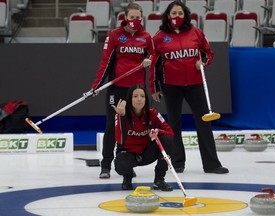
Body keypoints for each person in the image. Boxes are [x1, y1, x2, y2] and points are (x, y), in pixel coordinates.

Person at [149, 1, 229, 174]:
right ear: (167, 16)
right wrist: (154, 87)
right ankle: (178, 163)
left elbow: (208, 53)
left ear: (185, 15)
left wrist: (203, 62)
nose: (176, 16)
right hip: (170, 86)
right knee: (174, 124)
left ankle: (212, 164)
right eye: (173, 13)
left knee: (204, 123)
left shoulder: (196, 32)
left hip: (195, 84)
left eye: (180, 13)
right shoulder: (159, 37)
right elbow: (154, 64)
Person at [90, 3, 155, 179]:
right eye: (132, 17)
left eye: (138, 17)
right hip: (117, 88)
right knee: (112, 127)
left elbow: (154, 56)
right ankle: (105, 165)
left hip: (136, 91)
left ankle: (125, 163)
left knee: (130, 128)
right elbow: (105, 62)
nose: (135, 20)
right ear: (125, 18)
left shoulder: (146, 37)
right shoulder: (114, 36)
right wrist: (96, 86)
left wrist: (149, 59)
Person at [113, 84, 174, 191]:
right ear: (129, 99)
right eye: (135, 96)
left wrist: (158, 132)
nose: (139, 99)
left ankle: (159, 179)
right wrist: (122, 117)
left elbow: (170, 132)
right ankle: (127, 177)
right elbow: (120, 139)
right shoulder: (121, 114)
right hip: (128, 153)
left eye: (142, 96)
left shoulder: (152, 112)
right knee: (120, 164)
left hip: (146, 152)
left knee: (167, 140)